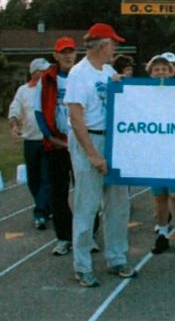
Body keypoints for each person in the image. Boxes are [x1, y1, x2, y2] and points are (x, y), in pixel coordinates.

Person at [65, 23, 136, 287]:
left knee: (118, 205)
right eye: (113, 44)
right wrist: (93, 154)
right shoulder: (78, 74)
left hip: (113, 140)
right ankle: (82, 265)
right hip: (90, 139)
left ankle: (117, 258)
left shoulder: (108, 71)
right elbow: (76, 118)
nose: (115, 49)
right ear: (103, 45)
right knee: (87, 205)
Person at [145, 55, 175, 255]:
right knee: (159, 196)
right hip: (154, 151)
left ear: (171, 71)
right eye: (156, 69)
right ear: (150, 73)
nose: (160, 72)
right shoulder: (141, 94)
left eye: (164, 69)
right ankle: (162, 234)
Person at [34, 37, 78, 256]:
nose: (68, 55)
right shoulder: (47, 79)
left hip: (81, 142)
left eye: (71, 51)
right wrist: (51, 137)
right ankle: (64, 237)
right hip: (56, 144)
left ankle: (87, 235)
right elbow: (38, 111)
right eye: (63, 52)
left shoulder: (82, 76)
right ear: (56, 55)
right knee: (58, 194)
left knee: (85, 193)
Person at [8, 57, 51, 229]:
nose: (46, 74)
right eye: (43, 71)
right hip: (30, 141)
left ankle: (40, 212)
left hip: (48, 140)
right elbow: (15, 109)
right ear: (34, 73)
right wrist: (14, 124)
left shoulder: (50, 89)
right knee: (34, 179)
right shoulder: (23, 91)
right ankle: (46, 207)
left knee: (47, 178)